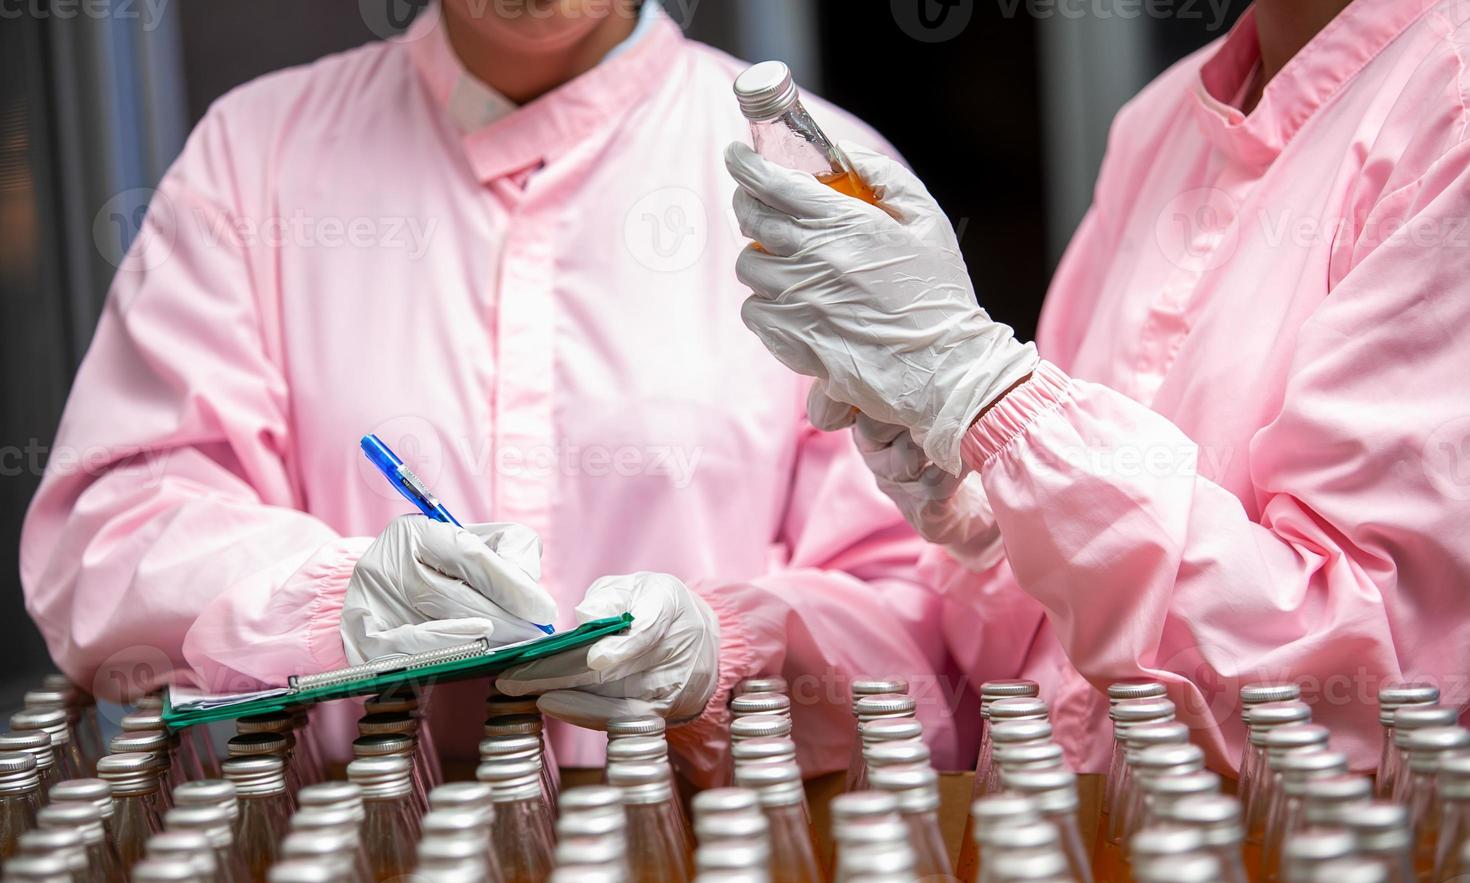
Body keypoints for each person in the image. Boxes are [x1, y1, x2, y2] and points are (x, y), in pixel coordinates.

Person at [20, 0, 965, 775]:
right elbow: (107, 543)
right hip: (354, 868)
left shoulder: (815, 181)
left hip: (722, 870)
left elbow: (932, 613)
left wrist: (727, 654)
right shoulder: (255, 156)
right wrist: (329, 599)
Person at [713, 0, 1470, 775]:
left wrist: (986, 397)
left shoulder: (1452, 108)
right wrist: (979, 509)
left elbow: (1363, 702)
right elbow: (1021, 666)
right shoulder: (1161, 122)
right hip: (1080, 854)